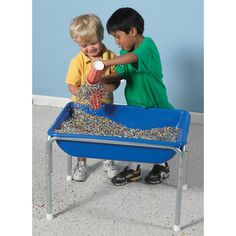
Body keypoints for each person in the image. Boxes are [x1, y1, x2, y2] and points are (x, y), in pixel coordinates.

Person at [101, 7, 174, 186]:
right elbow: (119, 74)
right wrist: (102, 82)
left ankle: (161, 165)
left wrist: (106, 63)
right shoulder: (124, 54)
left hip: (155, 104)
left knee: (156, 137)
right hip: (135, 105)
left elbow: (133, 58)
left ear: (132, 31)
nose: (117, 42)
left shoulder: (148, 45)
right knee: (134, 137)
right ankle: (134, 169)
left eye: (118, 36)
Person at [66, 14, 120, 181]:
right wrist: (82, 93)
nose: (90, 48)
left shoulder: (110, 57)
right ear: (77, 44)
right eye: (84, 45)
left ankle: (108, 161)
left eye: (93, 42)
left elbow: (116, 80)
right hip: (82, 107)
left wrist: (108, 88)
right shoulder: (77, 61)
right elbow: (72, 85)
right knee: (82, 135)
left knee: (106, 133)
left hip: (105, 106)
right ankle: (81, 163)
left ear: (101, 36)